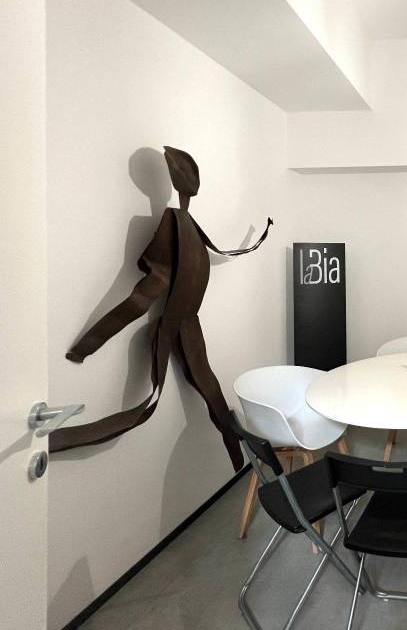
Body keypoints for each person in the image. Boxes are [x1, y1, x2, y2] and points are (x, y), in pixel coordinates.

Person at [50, 147, 272, 469]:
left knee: (205, 394)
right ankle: (53, 440)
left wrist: (257, 239)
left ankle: (243, 463)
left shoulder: (187, 223)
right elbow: (146, 293)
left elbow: (210, 256)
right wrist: (86, 347)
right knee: (154, 403)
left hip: (186, 321)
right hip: (174, 323)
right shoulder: (177, 222)